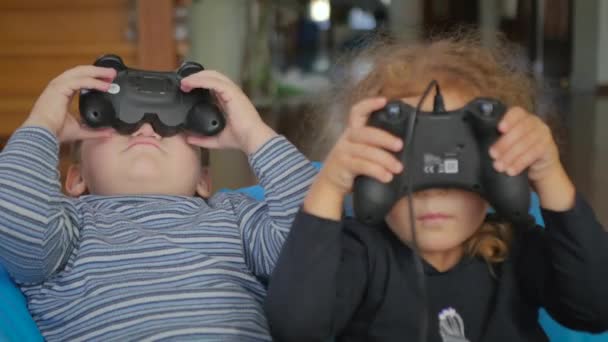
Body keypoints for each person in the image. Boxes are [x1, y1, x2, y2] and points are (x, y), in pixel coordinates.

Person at [265, 34, 608, 341]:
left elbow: (596, 308)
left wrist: (548, 174)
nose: (432, 191)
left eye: (457, 165)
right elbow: (296, 329)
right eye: (408, 166)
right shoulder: (361, 254)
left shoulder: (516, 248)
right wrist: (330, 184)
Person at [0, 64, 317, 341]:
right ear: (76, 180)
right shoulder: (66, 227)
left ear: (203, 181)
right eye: (119, 121)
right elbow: (16, 218)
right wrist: (42, 123)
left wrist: (254, 133)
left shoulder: (234, 216)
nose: (146, 128)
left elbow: (314, 241)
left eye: (173, 124)